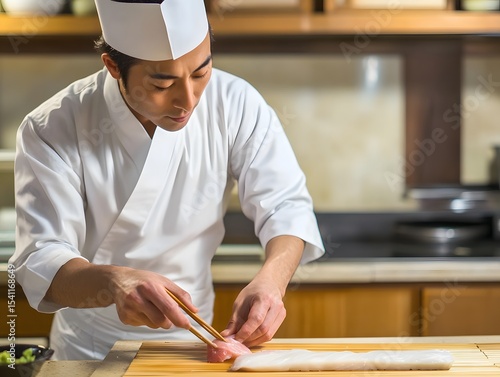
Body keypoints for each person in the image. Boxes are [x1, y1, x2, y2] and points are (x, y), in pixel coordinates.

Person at [9, 0, 325, 360]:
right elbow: (42, 257)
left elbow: (286, 206)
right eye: (163, 83)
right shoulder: (53, 127)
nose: (187, 100)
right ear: (113, 67)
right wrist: (113, 283)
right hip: (89, 348)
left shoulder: (236, 103)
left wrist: (272, 280)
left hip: (195, 343)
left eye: (201, 72)